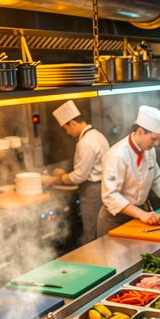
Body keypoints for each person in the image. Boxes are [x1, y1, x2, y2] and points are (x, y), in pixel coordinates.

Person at [97, 105, 160, 235]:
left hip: (137, 217)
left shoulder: (149, 151)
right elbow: (111, 196)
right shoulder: (117, 155)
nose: (156, 144)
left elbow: (157, 178)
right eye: (154, 139)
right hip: (115, 220)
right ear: (140, 132)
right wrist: (142, 214)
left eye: (159, 139)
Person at [43, 100, 109, 244]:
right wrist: (64, 175)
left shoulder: (85, 143)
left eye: (67, 128)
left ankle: (95, 263)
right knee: (99, 231)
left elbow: (79, 176)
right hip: (102, 187)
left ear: (72, 123)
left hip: (92, 192)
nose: (68, 133)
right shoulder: (97, 135)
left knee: (91, 234)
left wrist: (58, 178)